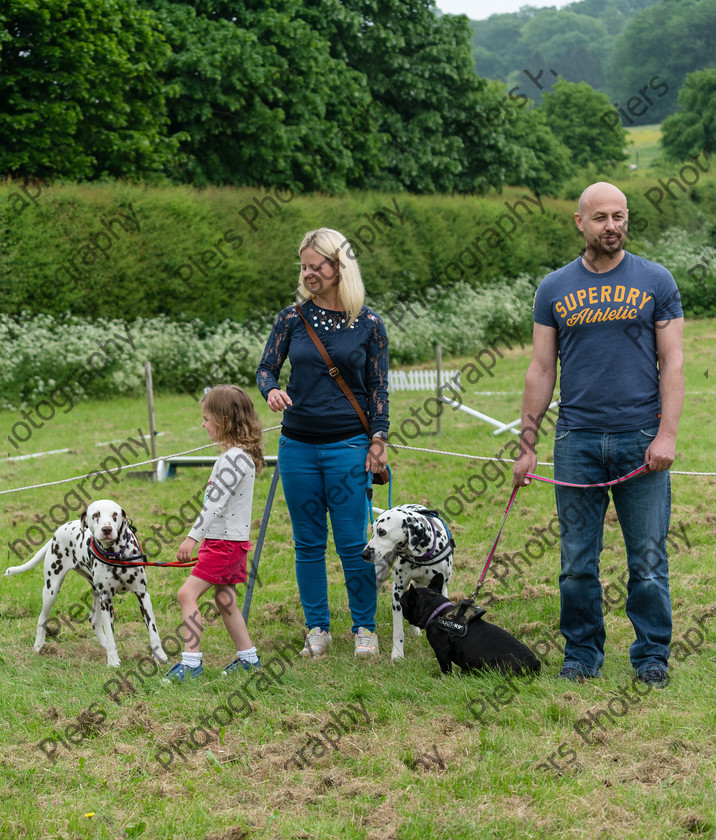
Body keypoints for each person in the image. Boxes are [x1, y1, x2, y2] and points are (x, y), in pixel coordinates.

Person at [513, 182, 684, 686]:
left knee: (649, 562)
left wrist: (666, 435)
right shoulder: (554, 288)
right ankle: (582, 654)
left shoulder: (656, 280)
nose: (613, 226)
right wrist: (527, 445)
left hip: (641, 440)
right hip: (577, 443)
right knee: (575, 566)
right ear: (579, 222)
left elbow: (673, 361)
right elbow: (541, 370)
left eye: (620, 216)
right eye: (602, 218)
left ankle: (652, 655)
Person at [257, 227, 389, 658]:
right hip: (297, 446)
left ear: (340, 267)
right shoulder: (290, 319)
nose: (309, 274)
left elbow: (378, 387)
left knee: (354, 543)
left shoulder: (369, 324)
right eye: (305, 267)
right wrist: (271, 391)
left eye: (318, 266)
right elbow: (265, 369)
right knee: (307, 542)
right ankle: (317, 629)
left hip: (349, 446)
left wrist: (379, 438)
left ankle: (364, 629)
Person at [164, 385, 265, 682]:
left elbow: (214, 504)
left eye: (207, 418)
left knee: (186, 594)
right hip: (227, 542)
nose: (203, 424)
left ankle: (191, 663)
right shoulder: (238, 456)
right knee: (225, 600)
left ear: (224, 419)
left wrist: (192, 537)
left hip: (223, 544)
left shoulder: (233, 459)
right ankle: (249, 658)